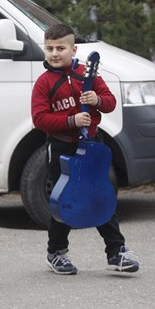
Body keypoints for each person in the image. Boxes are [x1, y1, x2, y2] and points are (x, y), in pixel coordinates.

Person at [31, 24, 139, 276]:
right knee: (65, 199)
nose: (55, 53)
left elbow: (110, 103)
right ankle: (56, 252)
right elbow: (39, 119)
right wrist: (71, 121)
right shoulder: (44, 82)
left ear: (73, 49)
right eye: (49, 48)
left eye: (61, 48)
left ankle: (117, 251)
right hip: (61, 147)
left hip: (91, 144)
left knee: (99, 195)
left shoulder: (86, 75)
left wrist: (97, 101)